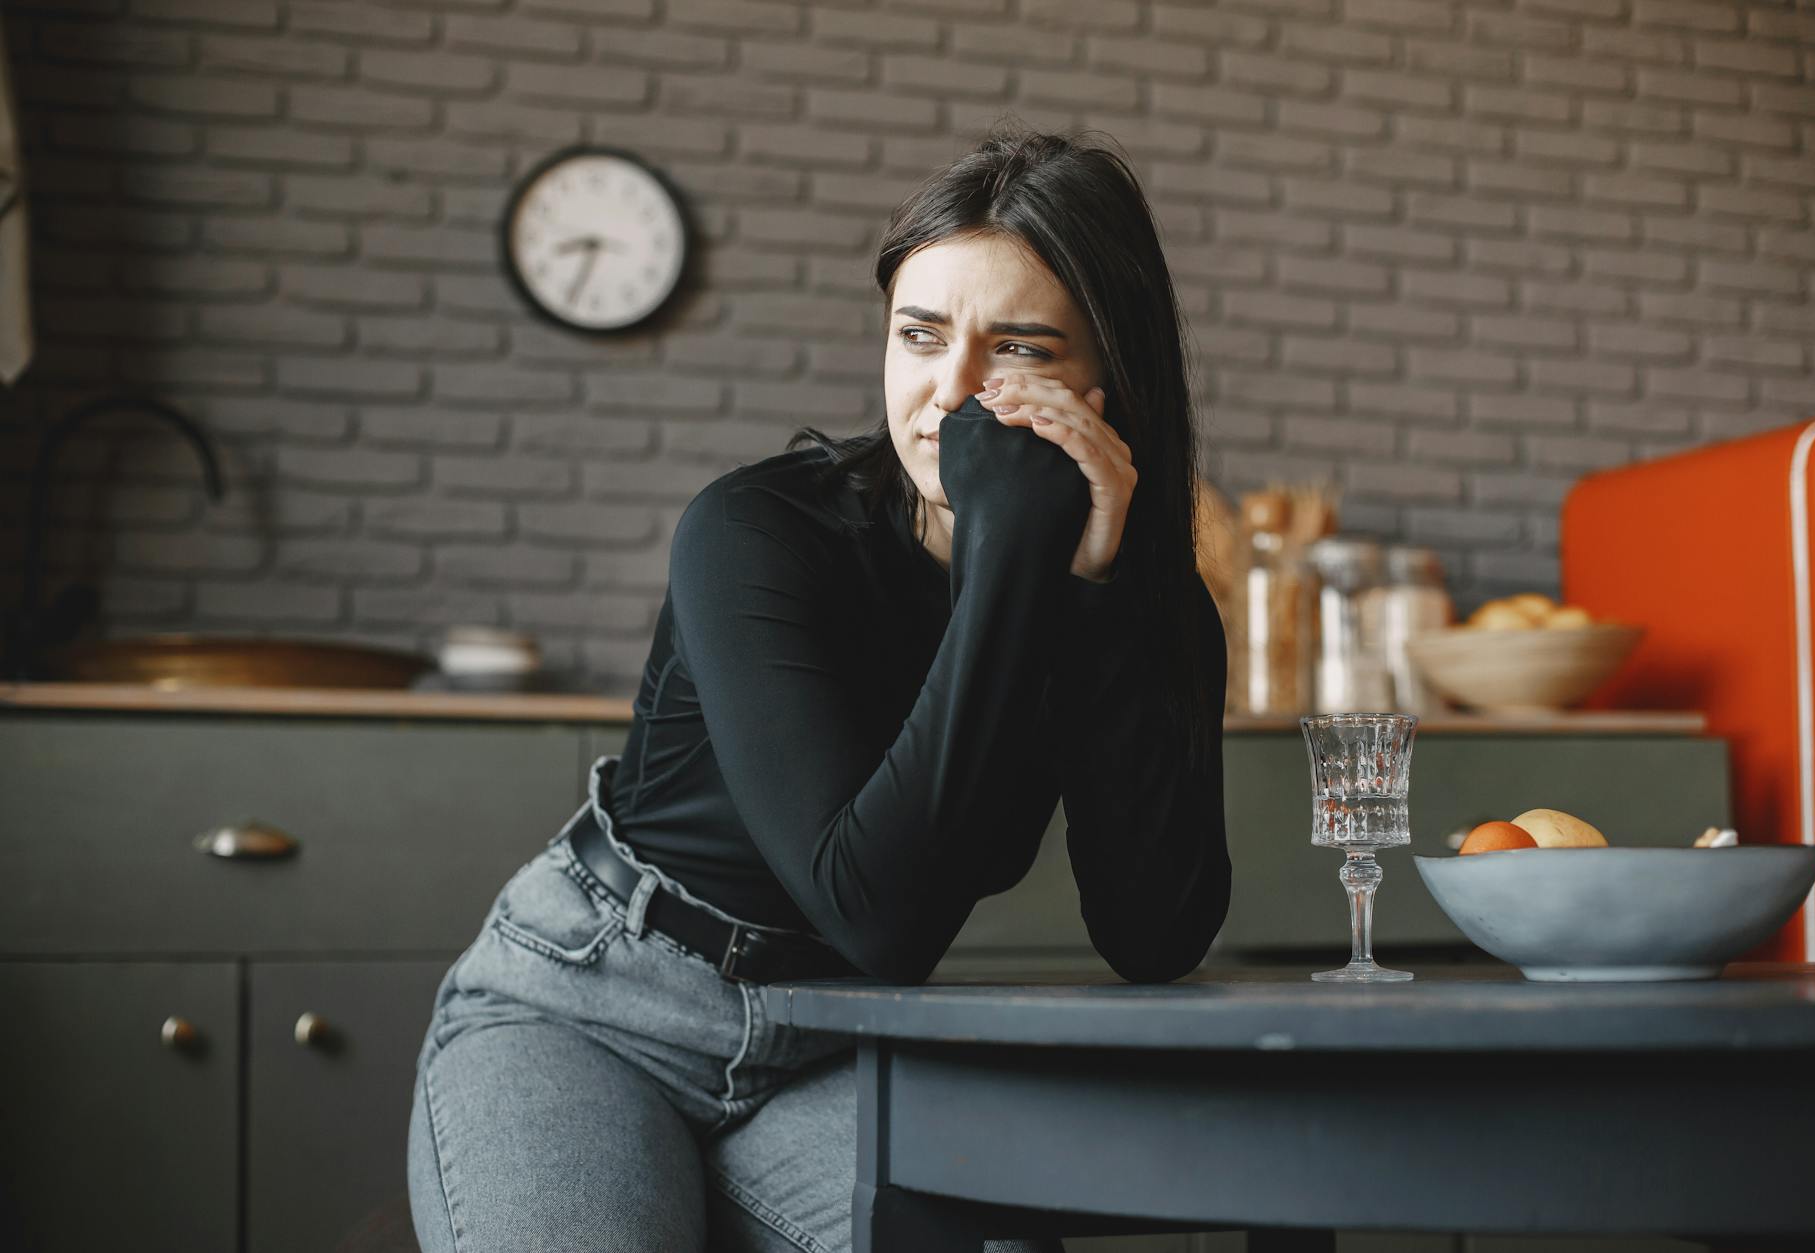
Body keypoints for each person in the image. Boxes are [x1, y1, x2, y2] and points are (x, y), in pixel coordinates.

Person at [406, 122, 1231, 1253]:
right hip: (590, 1009)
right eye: (919, 335)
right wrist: (1006, 553)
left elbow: (1153, 933)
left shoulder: (1144, 600)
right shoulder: (756, 532)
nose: (948, 393)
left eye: (1019, 350)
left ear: (1107, 382)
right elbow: (877, 909)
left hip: (835, 1045)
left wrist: (1088, 597)